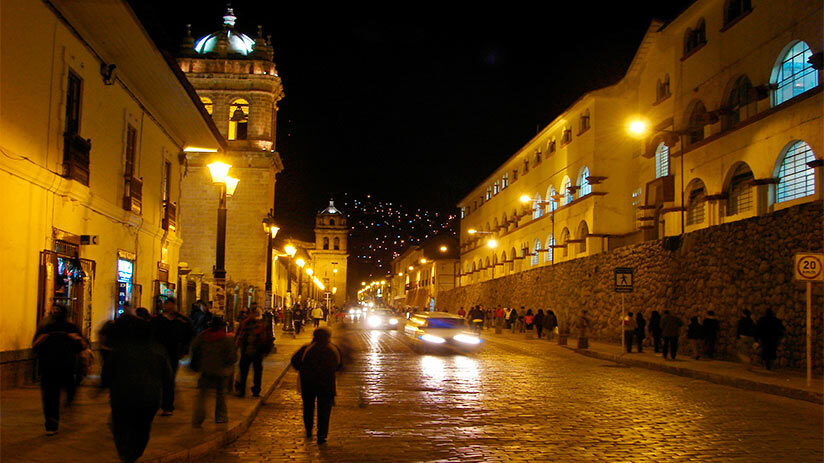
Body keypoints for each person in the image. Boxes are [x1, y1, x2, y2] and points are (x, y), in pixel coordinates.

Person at [101, 308, 172, 463]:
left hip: (123, 396)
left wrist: (102, 386)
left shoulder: (121, 349)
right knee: (143, 427)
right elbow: (167, 378)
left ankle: (126, 454)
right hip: (150, 397)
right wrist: (168, 400)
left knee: (120, 425)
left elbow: (107, 372)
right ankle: (134, 453)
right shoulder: (158, 350)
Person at [32, 304, 83, 435]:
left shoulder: (47, 329)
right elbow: (80, 346)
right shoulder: (72, 328)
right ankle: (65, 408)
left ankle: (51, 422)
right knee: (68, 388)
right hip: (66, 366)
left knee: (50, 396)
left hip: (49, 367)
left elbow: (36, 346)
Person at [291, 328, 342, 445]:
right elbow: (339, 365)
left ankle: (309, 429)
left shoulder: (306, 349)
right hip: (327, 385)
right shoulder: (333, 349)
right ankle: (322, 435)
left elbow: (295, 362)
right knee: (324, 411)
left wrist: (304, 371)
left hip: (308, 384)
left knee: (308, 407)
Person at [150, 297, 194, 416]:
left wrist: (184, 349)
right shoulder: (158, 320)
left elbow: (190, 333)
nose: (169, 307)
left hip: (173, 354)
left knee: (169, 379)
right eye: (167, 304)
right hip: (159, 354)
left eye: (171, 304)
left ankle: (167, 405)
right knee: (158, 379)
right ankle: (157, 402)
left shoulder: (181, 321)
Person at [191, 316, 237, 426]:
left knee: (202, 395)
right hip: (221, 372)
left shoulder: (202, 337)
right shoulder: (226, 340)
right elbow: (232, 357)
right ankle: (220, 417)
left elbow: (194, 350)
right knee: (220, 395)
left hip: (206, 370)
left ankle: (198, 419)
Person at [235, 306, 272, 397]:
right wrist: (266, 351)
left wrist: (237, 346)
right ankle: (256, 391)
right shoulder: (263, 325)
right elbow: (268, 339)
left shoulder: (245, 323)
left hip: (246, 350)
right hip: (258, 352)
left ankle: (242, 390)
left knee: (244, 371)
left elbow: (239, 336)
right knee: (257, 372)